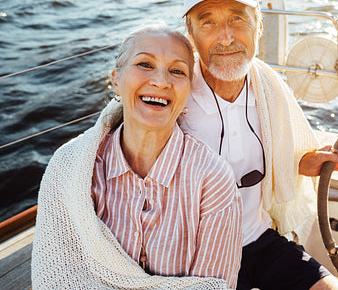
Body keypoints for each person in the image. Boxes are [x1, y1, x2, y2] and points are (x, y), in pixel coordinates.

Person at [178, 0, 338, 290]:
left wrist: (307, 162)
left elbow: (279, 161)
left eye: (238, 19)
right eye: (208, 22)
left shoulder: (267, 87)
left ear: (259, 26)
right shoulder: (174, 93)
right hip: (190, 257)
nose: (226, 36)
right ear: (190, 35)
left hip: (257, 239)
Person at [32, 22, 242, 289]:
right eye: (145, 64)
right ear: (116, 81)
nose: (160, 81)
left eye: (177, 71)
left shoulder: (213, 179)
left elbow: (214, 286)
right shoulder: (68, 168)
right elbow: (56, 277)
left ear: (188, 92)